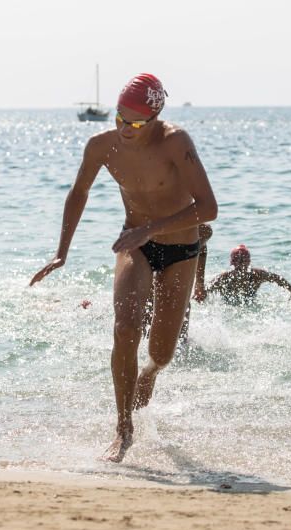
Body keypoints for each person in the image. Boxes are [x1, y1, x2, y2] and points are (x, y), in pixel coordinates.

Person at [29, 73, 217, 463]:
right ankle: (123, 428)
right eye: (119, 118)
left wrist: (153, 227)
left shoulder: (175, 142)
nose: (125, 128)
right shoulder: (102, 145)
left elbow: (208, 208)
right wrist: (61, 251)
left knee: (161, 353)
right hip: (136, 244)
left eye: (134, 122)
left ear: (154, 118)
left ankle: (149, 374)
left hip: (182, 249)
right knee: (125, 326)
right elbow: (79, 191)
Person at [205, 244, 291, 305]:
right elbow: (202, 293)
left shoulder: (257, 275)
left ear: (248, 263)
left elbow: (278, 279)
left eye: (242, 261)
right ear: (232, 263)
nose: (240, 265)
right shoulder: (224, 278)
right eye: (237, 261)